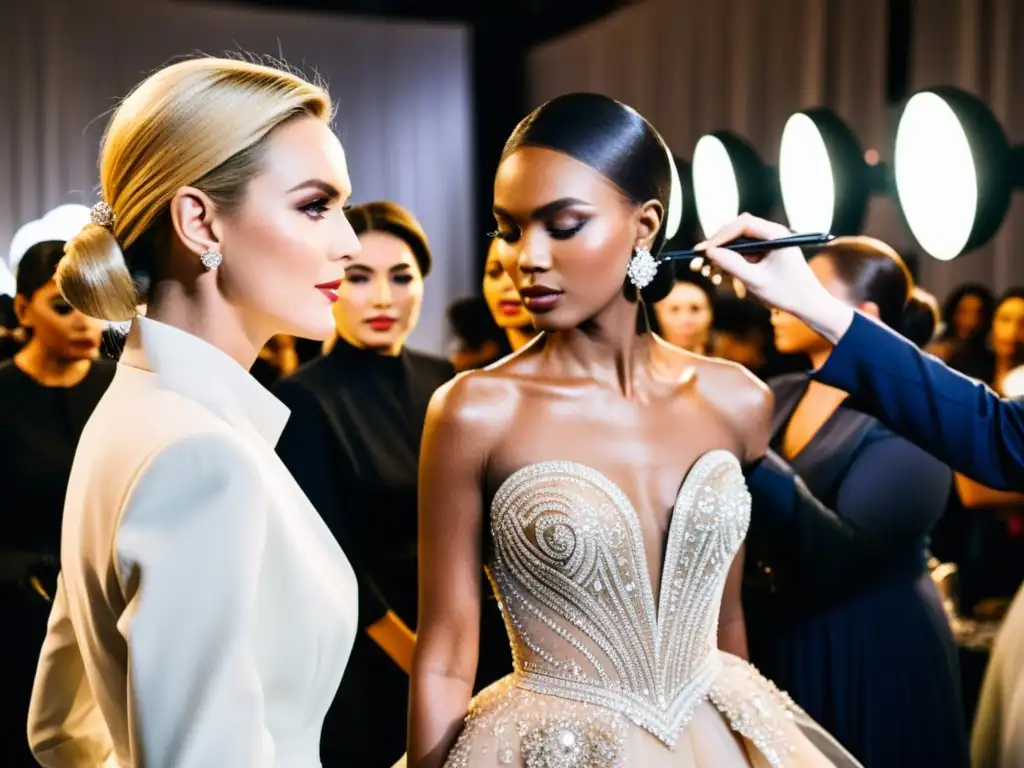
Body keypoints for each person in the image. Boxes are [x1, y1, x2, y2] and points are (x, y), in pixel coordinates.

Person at [405, 93, 859, 768]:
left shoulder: (736, 399)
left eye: (561, 225)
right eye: (509, 229)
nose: (524, 258)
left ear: (644, 226)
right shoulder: (474, 410)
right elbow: (444, 653)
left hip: (717, 729)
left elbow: (726, 621)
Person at [26, 57, 360, 767]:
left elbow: (60, 732)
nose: (350, 242)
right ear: (200, 221)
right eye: (314, 205)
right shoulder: (201, 455)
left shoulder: (131, 415)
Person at [743, 236, 967, 767]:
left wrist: (751, 455)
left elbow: (845, 554)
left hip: (873, 645)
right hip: (780, 635)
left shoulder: (912, 413)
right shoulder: (781, 391)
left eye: (806, 287)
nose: (779, 301)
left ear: (861, 314)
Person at [274, 199, 451, 767]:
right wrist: (424, 661)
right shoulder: (302, 399)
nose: (383, 298)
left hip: (461, 642)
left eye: (402, 278)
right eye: (359, 278)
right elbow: (330, 561)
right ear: (333, 284)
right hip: (368, 660)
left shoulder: (444, 381)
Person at [0, 241, 115, 765]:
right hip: (19, 619)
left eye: (96, 306)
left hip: (108, 612)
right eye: (63, 306)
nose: (84, 323)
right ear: (23, 310)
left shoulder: (122, 388)